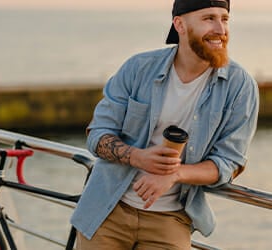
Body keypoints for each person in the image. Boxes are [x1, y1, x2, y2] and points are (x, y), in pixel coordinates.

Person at [71, 0, 259, 249]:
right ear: (179, 24)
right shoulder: (138, 69)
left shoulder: (240, 87)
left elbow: (230, 162)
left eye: (224, 19)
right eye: (208, 18)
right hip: (107, 210)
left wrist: (175, 174)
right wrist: (138, 157)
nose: (221, 30)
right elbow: (97, 135)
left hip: (171, 219)